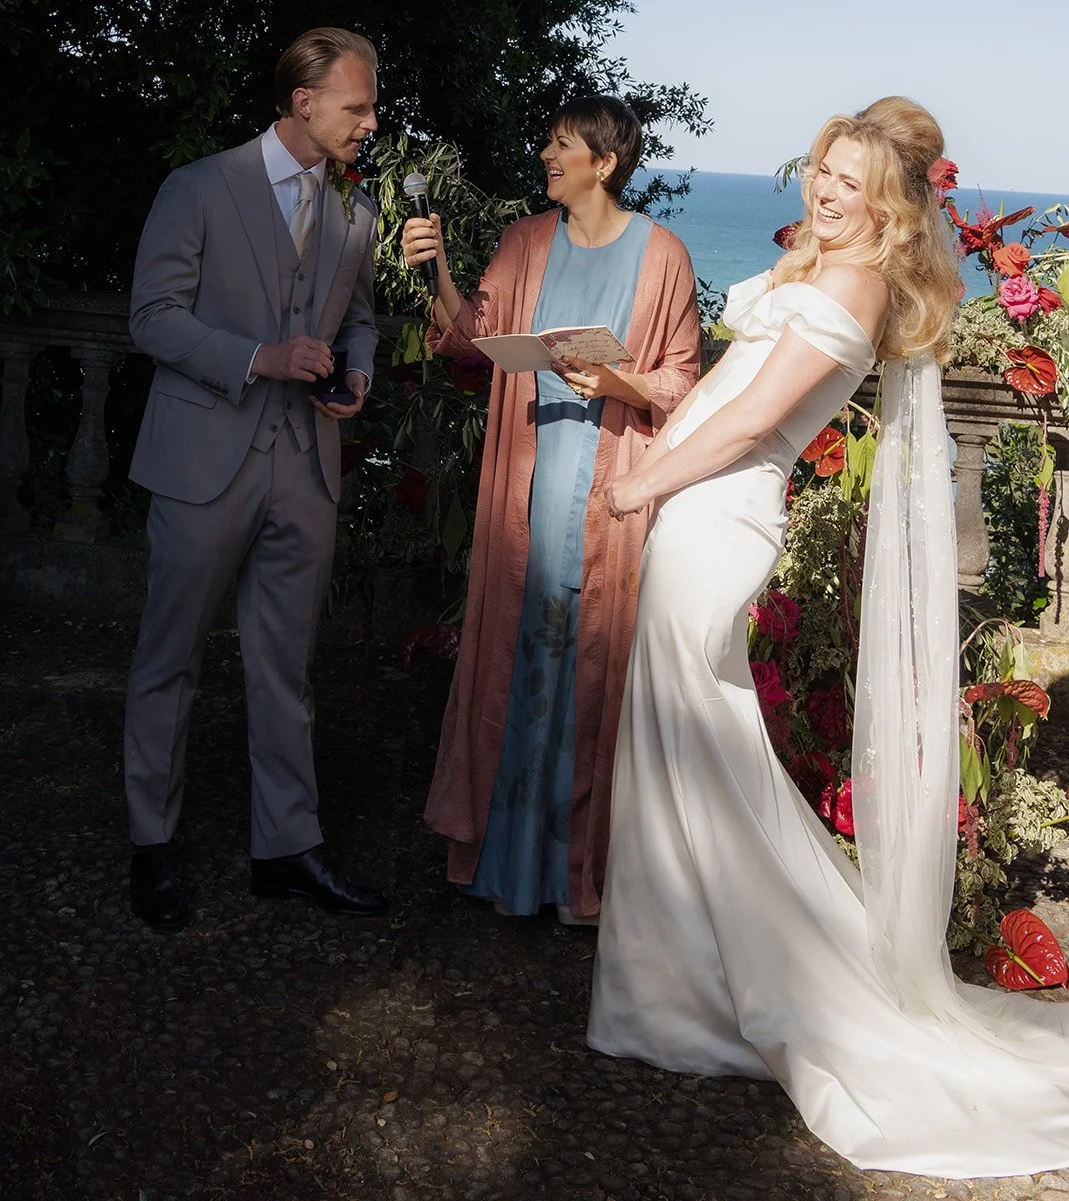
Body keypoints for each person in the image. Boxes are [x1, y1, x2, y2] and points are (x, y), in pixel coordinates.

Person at [587, 95, 1069, 1177]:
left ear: (889, 202)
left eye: (850, 181)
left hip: (720, 516)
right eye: (821, 172)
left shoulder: (853, 282)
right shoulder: (815, 268)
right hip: (691, 508)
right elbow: (720, 387)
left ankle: (746, 986)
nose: (826, 191)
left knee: (699, 753)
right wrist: (655, 456)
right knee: (685, 750)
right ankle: (678, 979)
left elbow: (757, 421)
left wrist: (641, 486)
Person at [402, 96, 701, 923]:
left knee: (591, 671)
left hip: (608, 491)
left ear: (604, 163)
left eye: (560, 145)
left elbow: (681, 376)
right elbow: (469, 336)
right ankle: (503, 862)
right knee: (515, 661)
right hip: (523, 489)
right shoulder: (524, 242)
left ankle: (577, 881)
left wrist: (618, 381)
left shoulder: (663, 254)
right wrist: (434, 270)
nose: (544, 155)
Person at [124, 27, 388, 929]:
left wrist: (356, 375)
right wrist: (258, 356)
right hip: (202, 463)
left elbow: (362, 320)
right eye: (357, 106)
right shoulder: (199, 187)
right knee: (170, 661)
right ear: (302, 102)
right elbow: (152, 316)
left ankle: (286, 847)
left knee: (287, 668)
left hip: (305, 470)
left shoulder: (356, 214)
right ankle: (151, 846)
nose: (370, 121)